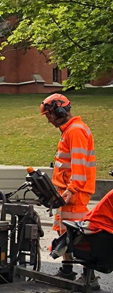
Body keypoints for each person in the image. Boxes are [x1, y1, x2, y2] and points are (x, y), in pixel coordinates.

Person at [41, 93, 95, 279]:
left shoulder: (76, 131)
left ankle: (89, 276)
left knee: (79, 235)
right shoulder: (70, 130)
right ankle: (67, 270)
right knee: (67, 232)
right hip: (68, 191)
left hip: (74, 192)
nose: (49, 121)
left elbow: (79, 166)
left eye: (50, 116)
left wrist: (72, 189)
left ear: (60, 111)